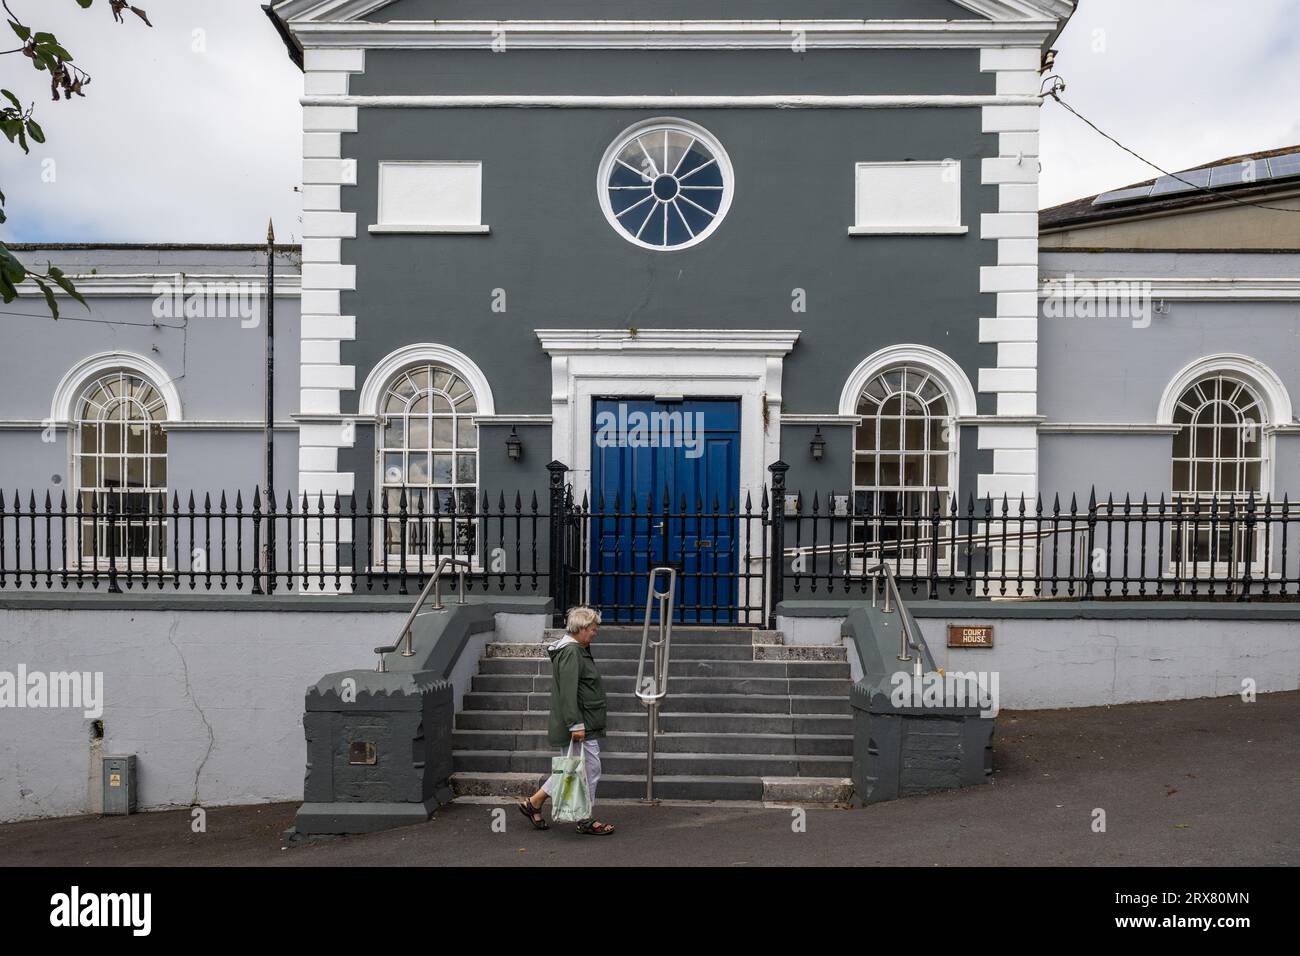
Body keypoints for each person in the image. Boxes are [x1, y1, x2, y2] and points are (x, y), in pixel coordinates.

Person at [518, 606, 615, 835]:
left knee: (573, 769)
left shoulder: (577, 649)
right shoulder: (572, 652)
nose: (595, 633)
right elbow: (568, 692)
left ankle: (534, 803)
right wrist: (576, 724)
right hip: (581, 724)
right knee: (589, 769)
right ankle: (585, 819)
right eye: (593, 629)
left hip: (583, 721)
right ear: (581, 628)